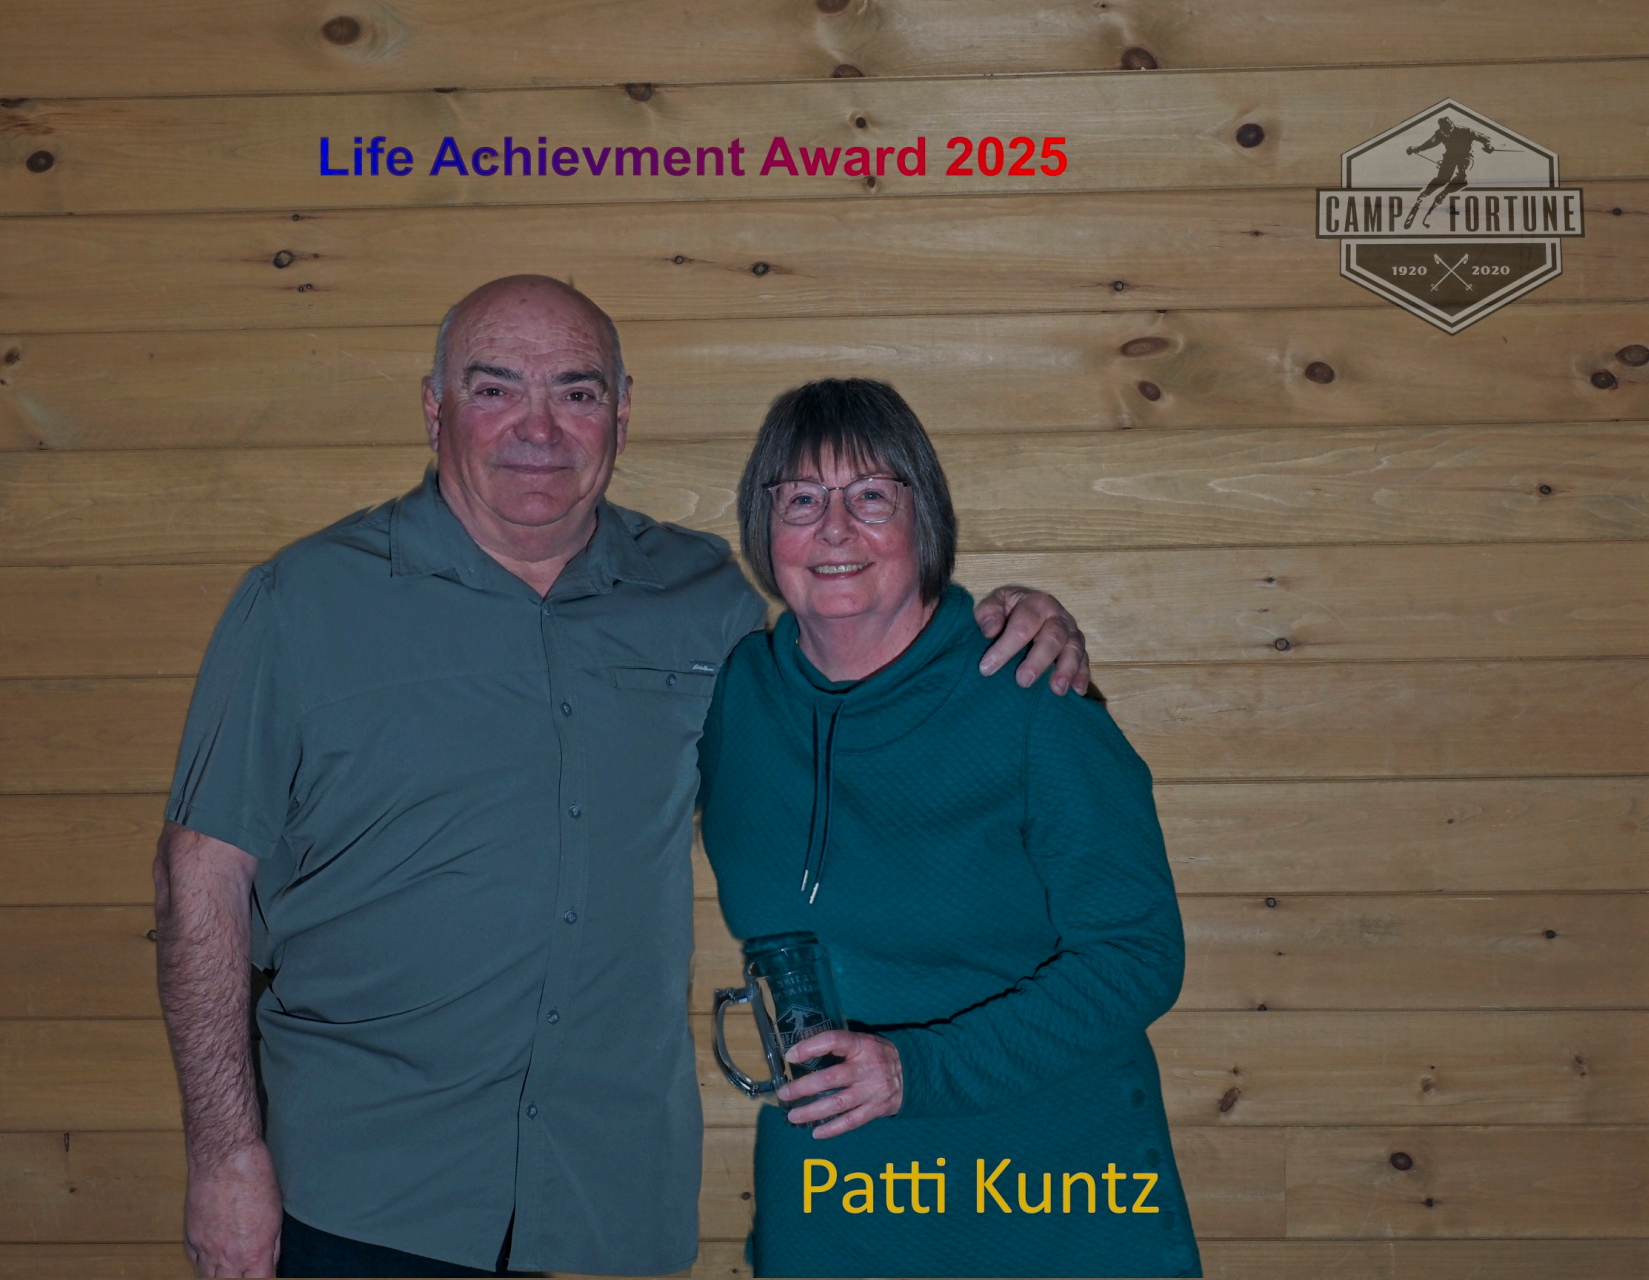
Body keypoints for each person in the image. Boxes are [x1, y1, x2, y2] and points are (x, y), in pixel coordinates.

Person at [153, 277, 1094, 1278]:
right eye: (494, 389)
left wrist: (995, 625)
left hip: (606, 1194)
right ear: (434, 408)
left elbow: (858, 706)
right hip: (365, 1189)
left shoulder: (706, 596)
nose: (539, 428)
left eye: (577, 391)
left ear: (622, 412)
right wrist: (224, 1153)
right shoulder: (301, 601)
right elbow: (198, 879)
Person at [698, 379, 1200, 1278]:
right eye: (802, 499)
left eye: (871, 496)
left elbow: (1138, 955)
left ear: (923, 518)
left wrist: (915, 1070)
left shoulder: (1030, 694)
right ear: (763, 528)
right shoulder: (739, 696)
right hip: (836, 1199)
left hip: (1047, 1201)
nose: (835, 529)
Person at [1404, 114, 1496, 228]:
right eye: (1444, 132)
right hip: (1450, 157)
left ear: (1452, 126)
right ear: (1441, 129)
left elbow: (1484, 138)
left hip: (1466, 156)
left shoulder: (1465, 131)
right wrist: (1416, 149)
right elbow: (1430, 143)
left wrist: (1487, 145)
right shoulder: (1439, 133)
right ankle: (1424, 195)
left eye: (1448, 131)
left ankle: (1444, 193)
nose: (1446, 134)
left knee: (1463, 176)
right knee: (1442, 179)